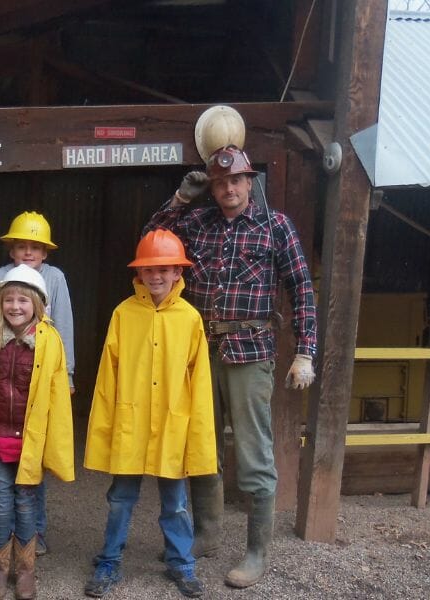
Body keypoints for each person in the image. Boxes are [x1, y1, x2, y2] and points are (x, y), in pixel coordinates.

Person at [145, 145, 317, 588]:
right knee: (203, 447)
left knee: (254, 455)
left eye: (236, 180)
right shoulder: (196, 222)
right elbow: (150, 243)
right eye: (220, 183)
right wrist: (181, 199)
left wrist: (305, 350)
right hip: (199, 350)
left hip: (251, 351)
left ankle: (257, 552)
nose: (228, 189)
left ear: (249, 181)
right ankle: (206, 534)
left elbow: (301, 287)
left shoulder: (275, 226)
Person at [83, 229, 216, 598]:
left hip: (173, 425)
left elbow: (200, 381)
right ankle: (109, 561)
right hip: (131, 422)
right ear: (138, 273)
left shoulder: (190, 318)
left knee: (176, 503)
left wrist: (196, 434)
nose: (156, 276)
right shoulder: (124, 313)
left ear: (178, 272)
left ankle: (181, 564)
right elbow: (108, 376)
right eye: (149, 269)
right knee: (120, 499)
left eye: (165, 269)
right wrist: (106, 427)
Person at [0, 264, 75, 600]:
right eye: (9, 300)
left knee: (26, 503)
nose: (15, 307)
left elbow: (57, 396)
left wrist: (54, 443)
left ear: (37, 304)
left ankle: (25, 570)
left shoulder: (50, 341)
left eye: (23, 300)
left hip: (29, 442)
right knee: (1, 502)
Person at [0, 210, 74, 556]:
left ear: (46, 252)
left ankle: (36, 534)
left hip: (40, 374)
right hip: (5, 374)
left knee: (35, 462)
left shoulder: (55, 278)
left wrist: (68, 375)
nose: (28, 253)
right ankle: (6, 538)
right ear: (11, 250)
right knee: (6, 472)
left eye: (36, 247)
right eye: (22, 246)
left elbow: (63, 325)